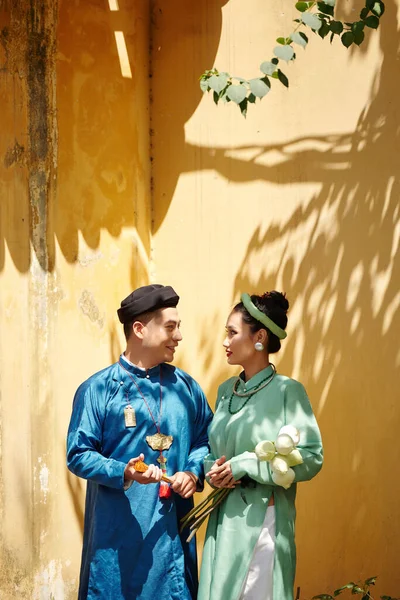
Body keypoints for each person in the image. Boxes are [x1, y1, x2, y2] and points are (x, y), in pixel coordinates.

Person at [67, 284, 213, 600]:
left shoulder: (186, 387)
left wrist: (191, 472)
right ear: (140, 329)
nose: (179, 336)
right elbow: (78, 453)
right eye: (170, 327)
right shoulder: (98, 390)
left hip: (170, 534)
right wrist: (124, 471)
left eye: (179, 327)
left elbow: (207, 439)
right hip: (115, 537)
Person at [198, 291, 323, 600]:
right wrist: (211, 469)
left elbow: (311, 457)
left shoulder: (288, 391)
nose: (225, 341)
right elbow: (214, 449)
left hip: (263, 524)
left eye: (232, 332)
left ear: (260, 337)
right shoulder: (226, 391)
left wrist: (247, 465)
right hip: (223, 518)